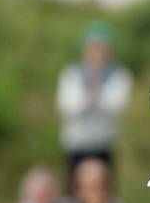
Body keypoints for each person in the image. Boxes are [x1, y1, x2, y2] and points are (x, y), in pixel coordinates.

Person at [56, 20, 134, 175]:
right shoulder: (71, 74)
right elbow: (66, 107)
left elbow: (116, 108)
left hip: (103, 146)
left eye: (102, 47)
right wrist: (89, 95)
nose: (97, 53)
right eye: (93, 47)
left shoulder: (120, 75)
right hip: (76, 145)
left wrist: (96, 90)